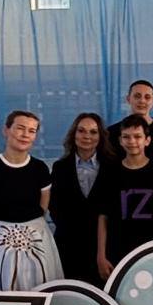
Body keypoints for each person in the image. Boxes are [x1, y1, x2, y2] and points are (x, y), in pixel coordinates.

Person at [0, 109, 62, 290]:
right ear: (6, 130)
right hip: (0, 242)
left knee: (41, 288)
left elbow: (43, 206)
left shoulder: (40, 168)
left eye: (31, 131)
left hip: (38, 239)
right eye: (20, 128)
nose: (25, 135)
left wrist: (30, 228)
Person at [95, 113, 153, 280]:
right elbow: (103, 217)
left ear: (147, 140)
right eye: (126, 137)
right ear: (120, 140)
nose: (132, 141)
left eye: (137, 136)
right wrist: (101, 255)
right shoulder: (109, 173)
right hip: (117, 251)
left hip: (150, 250)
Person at [48, 112, 107, 284]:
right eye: (81, 131)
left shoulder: (112, 166)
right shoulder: (60, 167)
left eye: (93, 132)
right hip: (68, 245)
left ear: (100, 137)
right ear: (73, 134)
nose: (87, 136)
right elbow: (54, 205)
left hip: (103, 248)